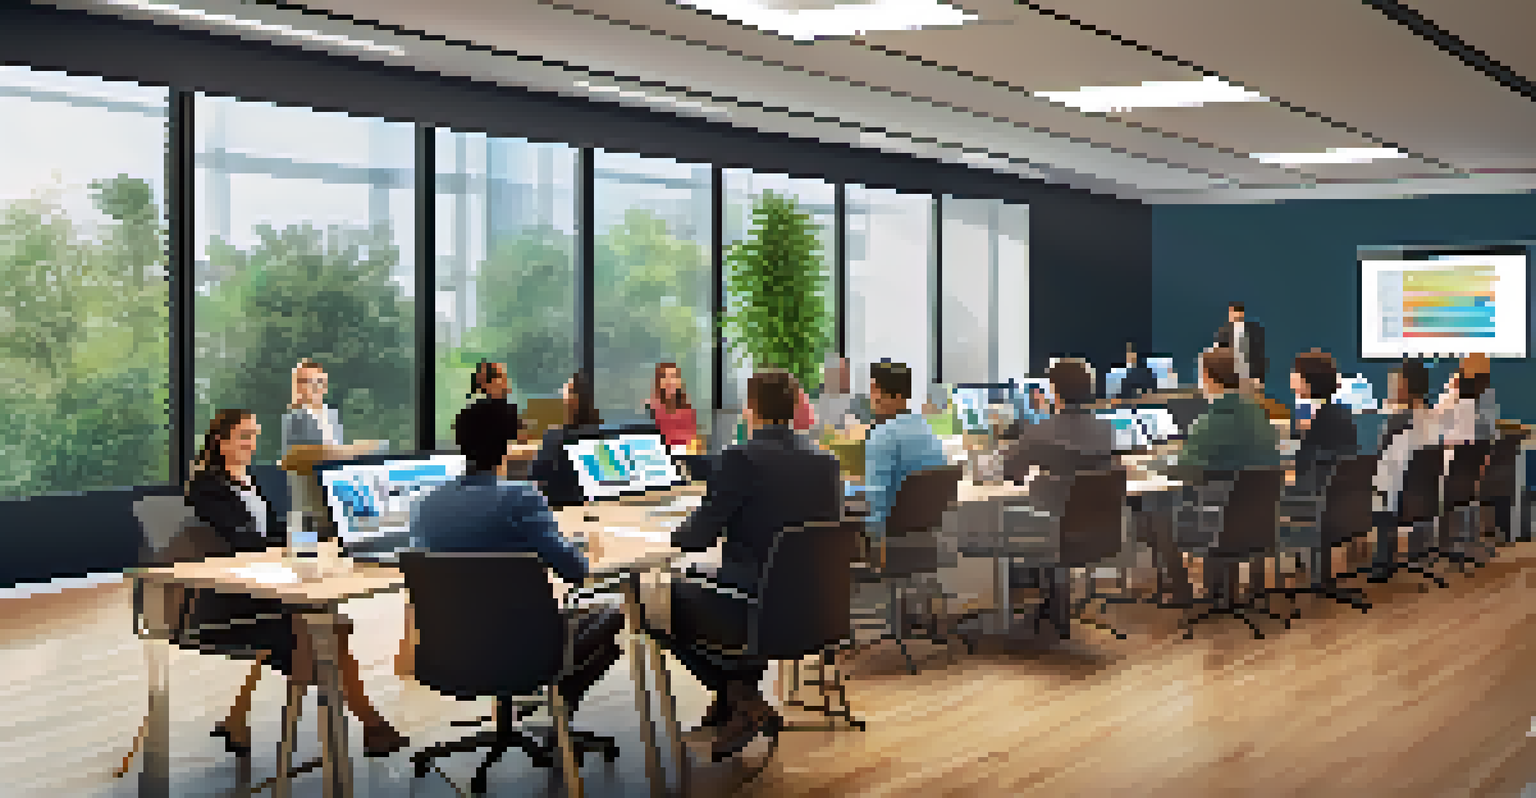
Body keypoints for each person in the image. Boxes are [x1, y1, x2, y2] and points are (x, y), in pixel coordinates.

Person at [185, 410, 407, 759]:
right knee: (330, 631)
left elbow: (271, 531)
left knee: (330, 624)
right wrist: (288, 544)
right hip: (232, 598)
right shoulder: (206, 486)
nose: (251, 444)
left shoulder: (246, 479)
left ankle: (235, 721)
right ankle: (371, 724)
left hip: (265, 584)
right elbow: (240, 539)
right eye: (244, 436)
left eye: (255, 435)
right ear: (220, 441)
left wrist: (311, 539)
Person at [646, 370, 842, 761]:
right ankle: (735, 704)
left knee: (651, 604)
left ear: (751, 410)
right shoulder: (826, 462)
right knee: (702, 580)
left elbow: (696, 538)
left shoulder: (740, 458)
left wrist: (672, 528)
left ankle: (742, 696)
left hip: (753, 605)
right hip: (814, 606)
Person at [410, 399, 625, 727]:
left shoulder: (424, 505)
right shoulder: (520, 498)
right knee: (615, 610)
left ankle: (527, 705)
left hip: (449, 649)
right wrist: (585, 549)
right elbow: (576, 571)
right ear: (509, 446)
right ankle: (559, 712)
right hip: (525, 649)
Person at [1147, 348, 1280, 603]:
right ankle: (1219, 590)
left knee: (1157, 512)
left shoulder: (1211, 420)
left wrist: (1155, 466)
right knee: (1218, 498)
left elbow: (1184, 469)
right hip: (1259, 522)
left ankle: (1182, 592)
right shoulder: (1258, 414)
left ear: (1207, 377)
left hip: (1219, 524)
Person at [861, 359, 948, 542]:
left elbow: (877, 509)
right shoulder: (926, 429)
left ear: (875, 390)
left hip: (888, 544)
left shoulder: (882, 435)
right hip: (925, 540)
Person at [1368, 359, 1438, 580]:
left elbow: (1381, 458)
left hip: (1395, 498)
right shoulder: (1432, 418)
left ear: (1405, 385)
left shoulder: (1398, 420)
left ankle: (1382, 561)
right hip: (1422, 498)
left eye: (1394, 383)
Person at [528, 371, 605, 509]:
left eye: (566, 391)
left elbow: (536, 479)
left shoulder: (553, 437)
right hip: (591, 507)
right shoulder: (600, 437)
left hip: (556, 507)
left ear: (572, 399)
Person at [1288, 349, 1358, 500]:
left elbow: (1306, 471)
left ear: (1308, 381)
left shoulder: (1317, 419)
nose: (1291, 377)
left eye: (1296, 372)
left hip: (1313, 499)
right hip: (1338, 501)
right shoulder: (1342, 414)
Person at [282, 359, 343, 451]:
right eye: (310, 381)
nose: (315, 386)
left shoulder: (332, 414)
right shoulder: (294, 418)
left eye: (319, 381)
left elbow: (339, 446)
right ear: (299, 386)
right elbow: (301, 455)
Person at [812, 353, 873, 440]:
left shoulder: (860, 401)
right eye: (837, 372)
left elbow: (866, 432)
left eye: (845, 372)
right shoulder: (818, 403)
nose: (843, 377)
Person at [647, 362, 698, 450]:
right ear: (659, 381)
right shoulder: (654, 406)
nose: (670, 381)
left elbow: (693, 437)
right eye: (665, 377)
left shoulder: (686, 407)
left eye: (673, 376)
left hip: (687, 452)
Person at [1214, 301, 1267, 386]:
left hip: (1251, 377)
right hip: (1230, 377)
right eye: (1231, 313)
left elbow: (1258, 356)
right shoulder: (1223, 333)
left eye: (1236, 313)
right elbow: (1219, 355)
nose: (1233, 316)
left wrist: (1258, 378)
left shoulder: (1253, 331)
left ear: (1242, 314)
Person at [468, 360, 522, 441]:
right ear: (486, 384)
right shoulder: (474, 414)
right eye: (500, 376)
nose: (506, 380)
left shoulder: (510, 410)